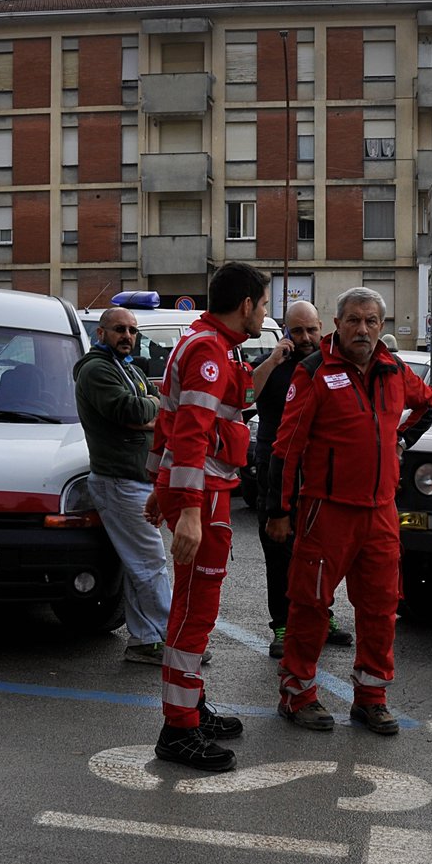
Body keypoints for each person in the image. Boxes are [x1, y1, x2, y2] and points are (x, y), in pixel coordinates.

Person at [266, 287, 432, 736]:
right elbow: (285, 450)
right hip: (326, 512)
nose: (362, 329)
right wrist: (279, 511)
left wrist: (400, 441)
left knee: (381, 608)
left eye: (371, 321)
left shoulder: (394, 369)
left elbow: (430, 404)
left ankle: (371, 698)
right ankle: (297, 694)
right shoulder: (314, 373)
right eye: (353, 321)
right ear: (337, 324)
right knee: (310, 605)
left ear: (381, 327)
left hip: (381, 513)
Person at [149, 262, 270, 771]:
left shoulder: (210, 344)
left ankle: (190, 707)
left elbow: (169, 420)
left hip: (202, 491)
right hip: (208, 495)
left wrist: (160, 488)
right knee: (194, 612)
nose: (265, 312)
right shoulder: (208, 351)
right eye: (263, 304)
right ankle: (178, 730)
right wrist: (191, 513)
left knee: (194, 607)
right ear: (245, 305)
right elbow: (191, 434)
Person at [250, 301, 353, 658]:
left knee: (320, 550)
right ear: (285, 333)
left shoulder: (329, 364)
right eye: (298, 331)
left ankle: (322, 615)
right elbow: (247, 395)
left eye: (311, 330)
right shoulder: (273, 364)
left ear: (322, 326)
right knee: (278, 550)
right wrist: (275, 359)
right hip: (274, 468)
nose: (306, 337)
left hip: (317, 470)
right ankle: (282, 624)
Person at [73, 306, 174, 664]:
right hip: (119, 481)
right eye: (119, 329)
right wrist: (152, 408)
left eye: (132, 330)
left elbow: (146, 409)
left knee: (140, 562)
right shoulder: (98, 370)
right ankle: (171, 641)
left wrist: (148, 409)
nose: (127, 336)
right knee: (150, 562)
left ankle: (147, 640)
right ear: (101, 333)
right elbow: (131, 412)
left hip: (133, 480)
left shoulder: (126, 367)